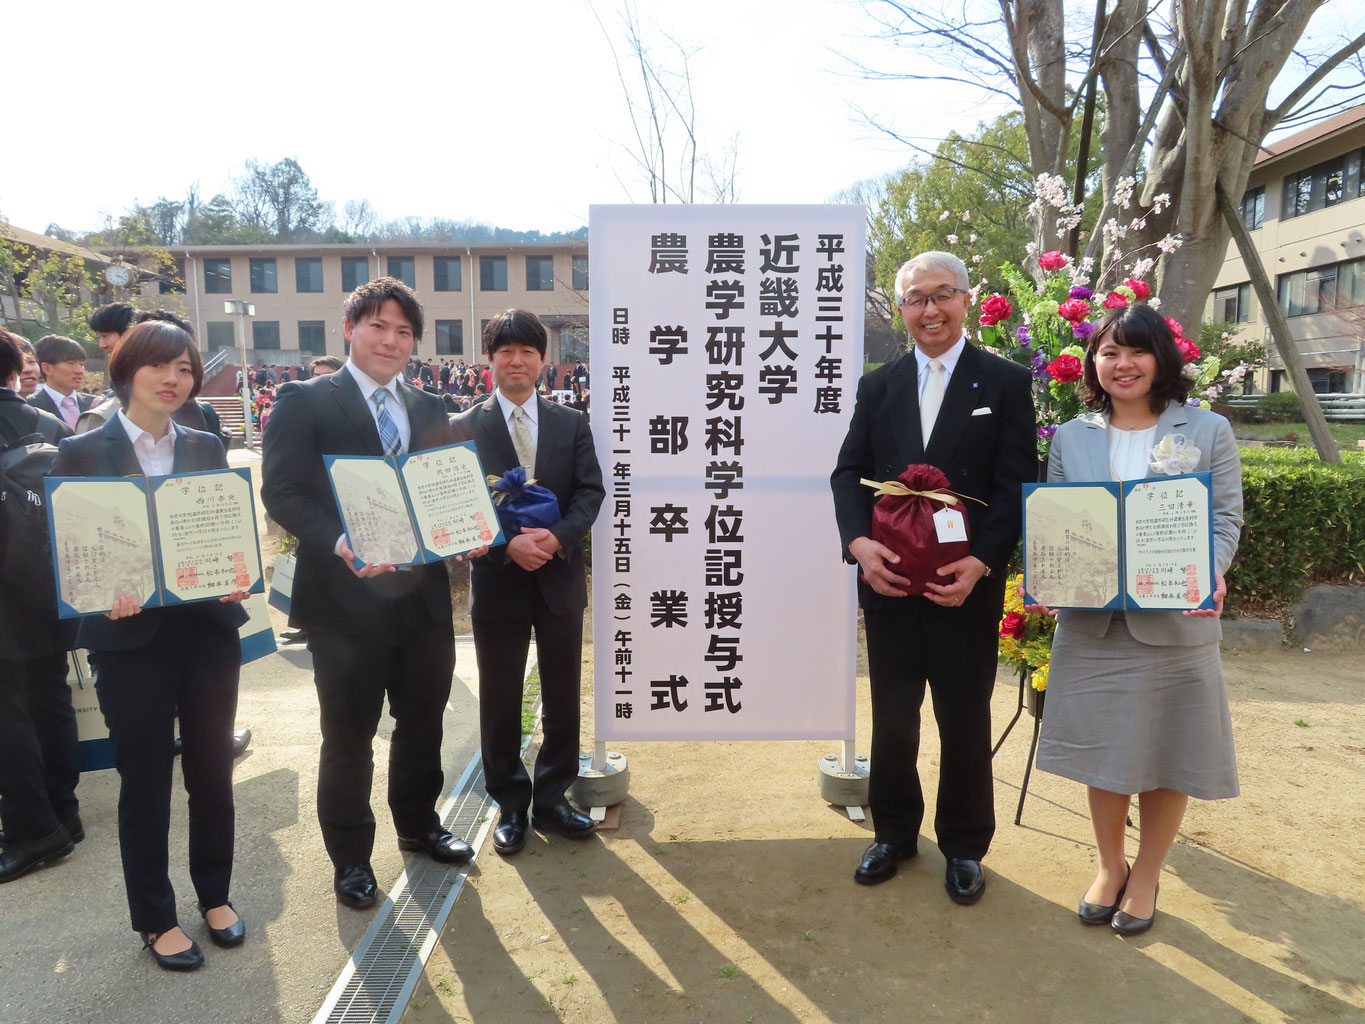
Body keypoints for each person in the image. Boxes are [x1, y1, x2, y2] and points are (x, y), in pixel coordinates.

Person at [261, 277, 483, 910]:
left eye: (404, 331)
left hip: (421, 597)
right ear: (350, 328)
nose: (391, 340)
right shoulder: (306, 400)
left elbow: (445, 485)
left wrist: (462, 530)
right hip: (343, 602)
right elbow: (282, 492)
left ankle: (418, 825)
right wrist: (337, 541)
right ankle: (352, 858)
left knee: (423, 718)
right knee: (350, 732)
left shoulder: (429, 406)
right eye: (378, 326)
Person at [1028, 304, 1243, 936]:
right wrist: (1052, 573)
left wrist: (1211, 569)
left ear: (1162, 360)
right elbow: (1063, 520)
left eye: (1137, 351)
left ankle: (1146, 875)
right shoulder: (1071, 436)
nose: (1123, 365)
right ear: (1093, 363)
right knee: (1103, 748)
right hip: (1092, 623)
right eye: (1110, 353)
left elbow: (1223, 518)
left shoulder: (1206, 430)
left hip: (1175, 620)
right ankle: (1108, 865)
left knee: (1168, 748)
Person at [830, 251, 1036, 901]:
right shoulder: (878, 385)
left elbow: (1016, 484)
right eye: (915, 299)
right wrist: (859, 544)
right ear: (901, 310)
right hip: (888, 581)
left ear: (966, 301)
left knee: (963, 716)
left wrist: (981, 564)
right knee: (892, 714)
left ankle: (964, 845)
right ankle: (892, 833)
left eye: (941, 295)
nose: (928, 310)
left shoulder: (1002, 382)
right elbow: (845, 474)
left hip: (961, 584)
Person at [49, 321, 249, 970]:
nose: (173, 380)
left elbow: (221, 529)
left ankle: (214, 896)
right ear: (126, 371)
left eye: (186, 369)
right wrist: (99, 589)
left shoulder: (203, 444)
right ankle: (156, 918)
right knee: (145, 780)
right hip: (130, 640)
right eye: (160, 367)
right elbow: (68, 547)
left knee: (214, 775)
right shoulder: (81, 451)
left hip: (206, 634)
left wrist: (233, 574)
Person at [451, 309, 605, 855]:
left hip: (558, 576)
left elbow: (590, 493)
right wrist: (504, 543)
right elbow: (455, 503)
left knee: (563, 690)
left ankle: (554, 797)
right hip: (497, 580)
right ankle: (510, 804)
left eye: (528, 352)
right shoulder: (463, 426)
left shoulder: (572, 423)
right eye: (505, 351)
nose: (517, 361)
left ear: (543, 360)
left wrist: (556, 538)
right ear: (489, 358)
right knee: (500, 694)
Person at [0, 328, 82, 884]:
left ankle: (34, 831)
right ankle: (66, 813)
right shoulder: (47, 425)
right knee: (51, 696)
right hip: (49, 584)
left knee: (7, 713)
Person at [28, 335, 93, 428]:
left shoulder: (95, 404)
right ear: (47, 368)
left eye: (81, 364)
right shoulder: (31, 408)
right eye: (71, 363)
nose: (80, 371)